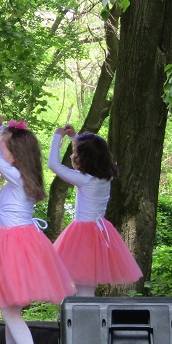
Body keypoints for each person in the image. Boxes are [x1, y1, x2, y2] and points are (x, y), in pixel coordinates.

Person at [0, 111, 75, 344]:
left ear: (16, 154)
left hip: (15, 244)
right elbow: (1, 148)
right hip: (14, 241)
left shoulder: (17, 176)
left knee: (9, 310)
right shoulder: (19, 175)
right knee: (10, 307)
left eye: (3, 146)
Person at [48, 124, 142, 297]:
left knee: (83, 290)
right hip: (100, 232)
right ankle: (83, 313)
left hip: (83, 235)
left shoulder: (84, 180)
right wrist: (74, 137)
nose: (72, 156)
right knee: (86, 288)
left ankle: (83, 315)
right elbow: (93, 149)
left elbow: (53, 165)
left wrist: (57, 137)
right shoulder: (105, 177)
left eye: (75, 154)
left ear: (84, 160)